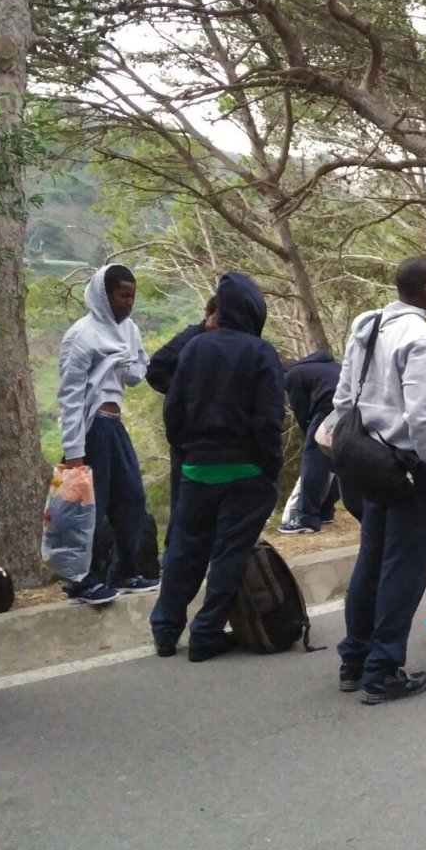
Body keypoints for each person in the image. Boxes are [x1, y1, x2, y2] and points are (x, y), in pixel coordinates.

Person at [332, 256, 426, 704]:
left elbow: (344, 397)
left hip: (368, 460)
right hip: (408, 468)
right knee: (404, 568)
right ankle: (382, 670)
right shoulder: (424, 339)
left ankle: (355, 658)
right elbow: (423, 419)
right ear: (425, 290)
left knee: (372, 560)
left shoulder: (367, 325)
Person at [150, 273, 286, 662]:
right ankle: (206, 632)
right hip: (245, 470)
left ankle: (165, 630)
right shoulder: (261, 353)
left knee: (184, 550)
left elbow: (173, 409)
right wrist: (270, 468)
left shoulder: (195, 347)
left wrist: (187, 449)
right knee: (229, 553)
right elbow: (269, 420)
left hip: (196, 468)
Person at [57, 263, 157, 605]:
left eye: (132, 296)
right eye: (121, 295)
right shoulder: (81, 335)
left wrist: (126, 362)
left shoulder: (128, 330)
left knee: (131, 497)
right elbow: (70, 396)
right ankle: (82, 580)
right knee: (89, 507)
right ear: (104, 295)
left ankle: (124, 571)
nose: (128, 303)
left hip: (114, 423)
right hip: (91, 426)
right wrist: (74, 452)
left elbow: (136, 374)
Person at [146, 294, 217, 531]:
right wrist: (184, 392)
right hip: (186, 432)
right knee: (183, 501)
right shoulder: (190, 338)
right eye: (219, 319)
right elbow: (155, 369)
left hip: (212, 435)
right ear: (208, 315)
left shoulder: (226, 342)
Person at [281, 350, 342, 533]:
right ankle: (326, 511)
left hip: (325, 410)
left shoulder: (293, 375)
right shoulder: (329, 366)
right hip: (348, 409)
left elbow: (301, 410)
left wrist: (309, 434)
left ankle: (306, 519)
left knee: (313, 464)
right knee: (337, 462)